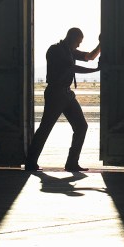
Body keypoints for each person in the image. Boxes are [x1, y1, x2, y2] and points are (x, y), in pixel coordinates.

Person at [25, 28, 100, 172]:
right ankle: (30, 162)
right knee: (45, 128)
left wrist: (101, 44)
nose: (79, 45)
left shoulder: (69, 51)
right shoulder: (55, 50)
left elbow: (90, 56)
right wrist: (95, 70)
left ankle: (72, 163)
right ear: (72, 38)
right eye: (78, 42)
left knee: (81, 126)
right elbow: (72, 68)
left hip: (66, 93)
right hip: (56, 93)